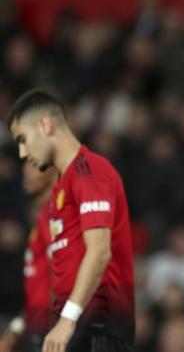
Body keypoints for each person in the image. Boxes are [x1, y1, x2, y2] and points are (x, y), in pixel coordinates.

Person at [7, 89, 135, 352]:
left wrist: (67, 320)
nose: (21, 152)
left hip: (98, 325)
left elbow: (99, 251)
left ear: (46, 124)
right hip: (77, 325)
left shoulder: (90, 171)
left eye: (23, 139)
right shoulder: (60, 191)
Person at [0, 162, 55, 352]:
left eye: (34, 165)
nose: (25, 169)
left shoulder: (57, 224)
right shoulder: (36, 229)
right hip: (34, 329)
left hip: (52, 332)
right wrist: (15, 331)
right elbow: (36, 293)